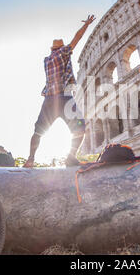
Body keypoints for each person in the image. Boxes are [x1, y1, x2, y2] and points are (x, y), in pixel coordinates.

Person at [24, 15, 96, 168]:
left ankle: (30, 159)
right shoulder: (64, 52)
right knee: (80, 127)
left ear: (51, 49)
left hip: (49, 100)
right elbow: (77, 37)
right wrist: (87, 25)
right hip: (64, 98)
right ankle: (71, 157)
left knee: (39, 131)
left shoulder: (46, 60)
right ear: (61, 48)